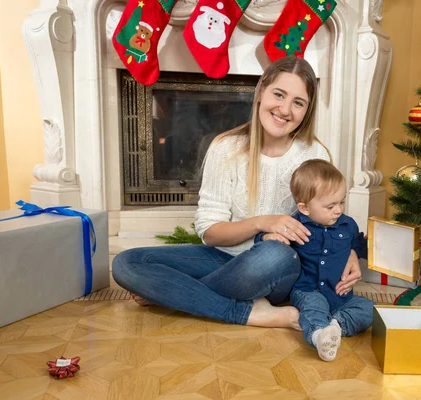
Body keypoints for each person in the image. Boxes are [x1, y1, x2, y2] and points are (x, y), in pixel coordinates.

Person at [112, 56, 363, 329]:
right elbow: (209, 233)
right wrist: (261, 223)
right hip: (223, 259)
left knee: (273, 254)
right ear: (261, 92)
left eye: (298, 102)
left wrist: (348, 252)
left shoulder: (314, 153)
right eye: (278, 94)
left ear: (307, 110)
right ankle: (253, 313)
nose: (285, 109)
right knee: (128, 263)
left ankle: (173, 293)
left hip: (280, 268)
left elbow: (330, 216)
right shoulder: (226, 148)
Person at [255, 160, 373, 361]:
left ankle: (336, 326)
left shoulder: (348, 225)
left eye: (341, 202)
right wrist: (266, 237)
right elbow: (266, 245)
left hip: (340, 294)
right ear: (305, 208)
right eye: (330, 206)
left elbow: (359, 246)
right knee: (313, 309)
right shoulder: (296, 226)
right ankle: (319, 336)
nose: (338, 210)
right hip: (308, 290)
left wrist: (370, 246)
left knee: (369, 309)